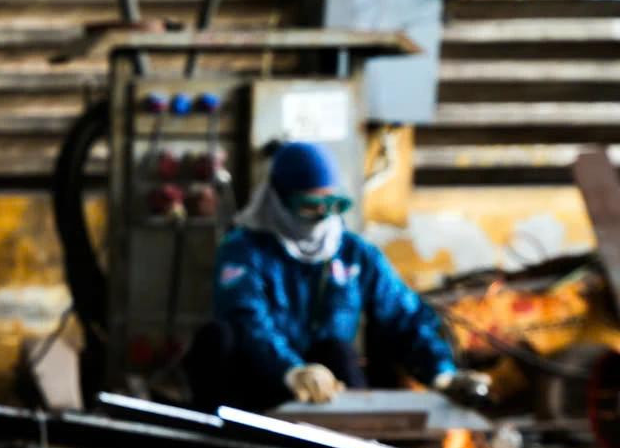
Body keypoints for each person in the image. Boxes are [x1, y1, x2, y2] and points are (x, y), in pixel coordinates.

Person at [187, 141, 488, 413]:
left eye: (331, 205)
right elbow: (246, 318)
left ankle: (357, 444)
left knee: (338, 351)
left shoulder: (354, 254)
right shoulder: (244, 250)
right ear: (278, 200)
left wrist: (443, 374)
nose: (322, 217)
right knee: (218, 339)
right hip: (260, 379)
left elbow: (403, 315)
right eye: (309, 206)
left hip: (326, 388)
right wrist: (291, 371)